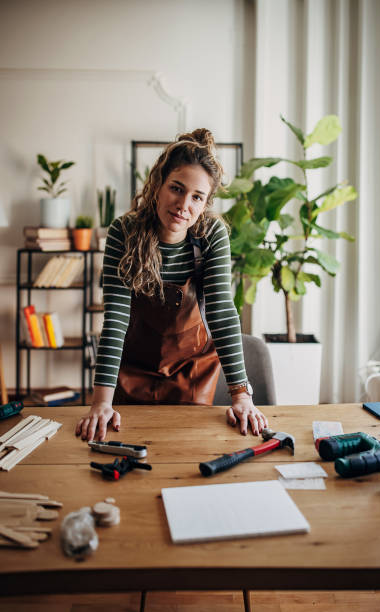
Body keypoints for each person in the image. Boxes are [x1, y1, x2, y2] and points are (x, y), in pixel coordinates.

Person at [75, 129, 268, 442]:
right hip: (132, 371)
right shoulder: (123, 232)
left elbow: (222, 314)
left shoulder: (211, 235)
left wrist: (242, 397)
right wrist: (100, 404)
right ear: (158, 185)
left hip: (191, 371)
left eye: (197, 197)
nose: (183, 205)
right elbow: (116, 320)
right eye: (176, 189)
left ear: (205, 203)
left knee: (185, 450)